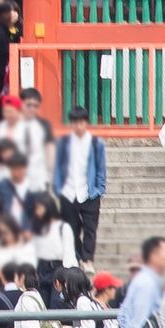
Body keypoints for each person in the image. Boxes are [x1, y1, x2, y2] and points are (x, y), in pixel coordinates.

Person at [49, 108, 107, 263]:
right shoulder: (64, 143)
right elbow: (58, 167)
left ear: (86, 123)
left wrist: (100, 189)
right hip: (68, 192)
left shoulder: (96, 143)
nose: (78, 126)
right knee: (71, 229)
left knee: (90, 229)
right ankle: (79, 256)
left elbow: (101, 167)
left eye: (81, 122)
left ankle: (88, 260)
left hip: (89, 192)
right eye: (75, 122)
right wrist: (58, 188)